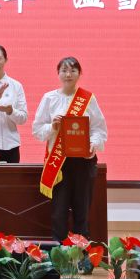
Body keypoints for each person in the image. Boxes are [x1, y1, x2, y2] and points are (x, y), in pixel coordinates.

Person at [32, 56, 108, 242]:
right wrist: (52, 127)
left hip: (84, 162)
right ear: (58, 73)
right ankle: (59, 251)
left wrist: (93, 144)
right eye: (64, 70)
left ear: (79, 74)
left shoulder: (88, 99)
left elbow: (99, 129)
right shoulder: (49, 98)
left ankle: (81, 252)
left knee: (82, 210)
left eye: (73, 70)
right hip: (59, 164)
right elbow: (37, 130)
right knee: (59, 211)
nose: (68, 74)